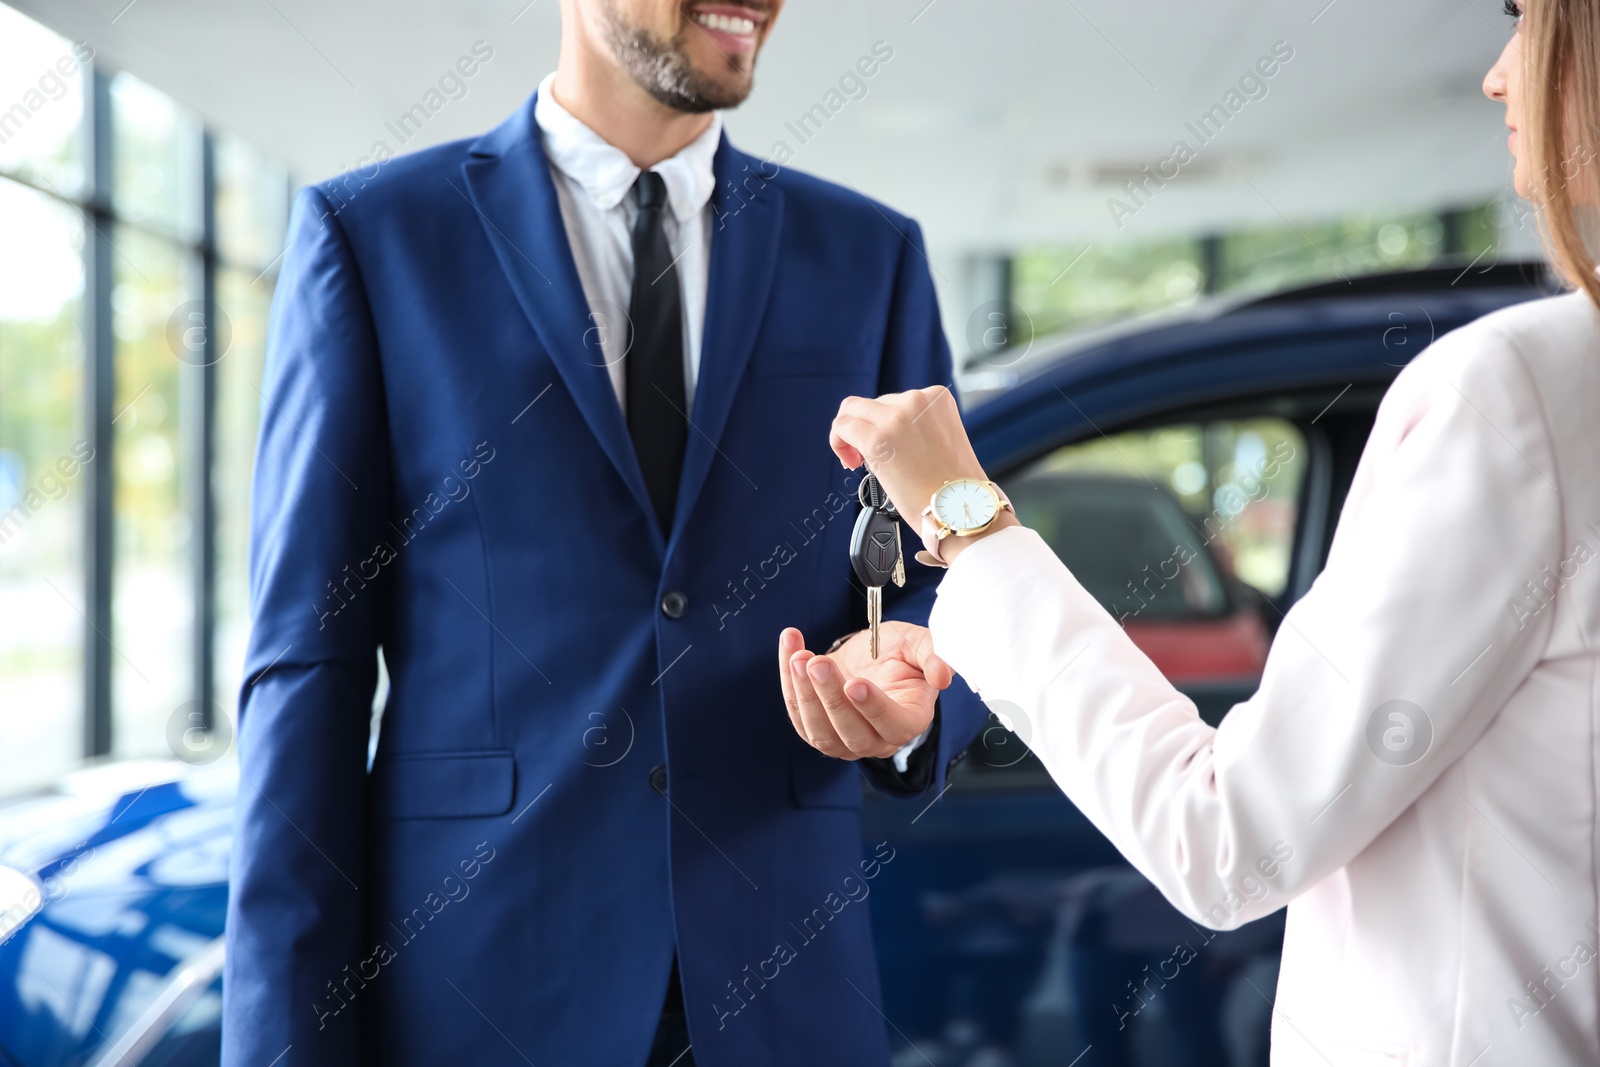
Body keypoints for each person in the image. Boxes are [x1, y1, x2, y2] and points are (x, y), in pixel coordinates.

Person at [780, 1, 1600, 1061]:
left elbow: (1228, 840)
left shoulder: (1521, 388)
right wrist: (965, 625)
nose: (1497, 76)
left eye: (1528, 20)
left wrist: (966, 524)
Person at [223, 1, 986, 1064]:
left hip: (782, 987)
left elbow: (954, 567)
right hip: (482, 987)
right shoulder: (375, 239)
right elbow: (306, 663)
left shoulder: (870, 254)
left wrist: (919, 680)